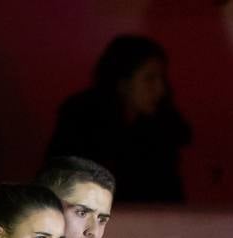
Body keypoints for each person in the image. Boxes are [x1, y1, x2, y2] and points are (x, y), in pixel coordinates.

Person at [46, 35, 190, 203]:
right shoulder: (82, 122)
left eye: (161, 79)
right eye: (150, 79)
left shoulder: (160, 129)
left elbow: (169, 196)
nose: (160, 89)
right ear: (122, 83)